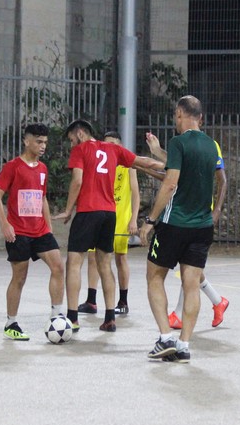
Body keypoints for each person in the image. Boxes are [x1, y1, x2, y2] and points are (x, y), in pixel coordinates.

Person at [57, 119, 162, 333]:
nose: (71, 145)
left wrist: (68, 210)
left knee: (74, 264)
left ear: (80, 133)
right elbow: (145, 162)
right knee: (105, 264)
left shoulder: (81, 150)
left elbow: (77, 181)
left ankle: (72, 318)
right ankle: (109, 318)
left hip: (87, 211)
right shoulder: (113, 149)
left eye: (71, 140)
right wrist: (173, 166)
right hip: (109, 214)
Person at [139, 95, 220, 363]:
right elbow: (185, 164)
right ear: (201, 118)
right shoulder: (211, 146)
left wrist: (150, 220)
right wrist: (159, 151)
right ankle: (184, 344)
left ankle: (165, 338)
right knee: (191, 286)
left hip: (175, 225)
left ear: (180, 114)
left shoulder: (179, 142)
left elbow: (171, 182)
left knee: (154, 277)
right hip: (203, 226)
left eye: (176, 117)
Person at [143, 130, 229, 330]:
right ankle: (216, 302)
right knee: (190, 272)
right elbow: (176, 166)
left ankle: (201, 309)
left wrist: (216, 210)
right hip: (190, 218)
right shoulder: (186, 147)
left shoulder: (210, 145)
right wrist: (155, 153)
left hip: (195, 218)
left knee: (185, 273)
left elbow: (222, 180)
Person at [0, 123, 65, 341]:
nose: (43, 146)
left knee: (59, 267)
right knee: (19, 277)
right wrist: (5, 224)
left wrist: (49, 226)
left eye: (45, 142)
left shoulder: (42, 169)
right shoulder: (12, 167)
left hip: (40, 231)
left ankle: (56, 316)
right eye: (39, 142)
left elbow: (42, 197)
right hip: (19, 232)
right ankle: (11, 322)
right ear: (27, 141)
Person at [77, 131, 141, 316]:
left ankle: (123, 300)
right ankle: (91, 300)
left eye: (113, 144)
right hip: (100, 216)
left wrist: (134, 218)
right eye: (106, 144)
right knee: (92, 257)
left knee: (120, 258)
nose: (109, 147)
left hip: (120, 217)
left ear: (120, 146)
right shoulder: (98, 163)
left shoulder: (128, 165)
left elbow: (135, 193)